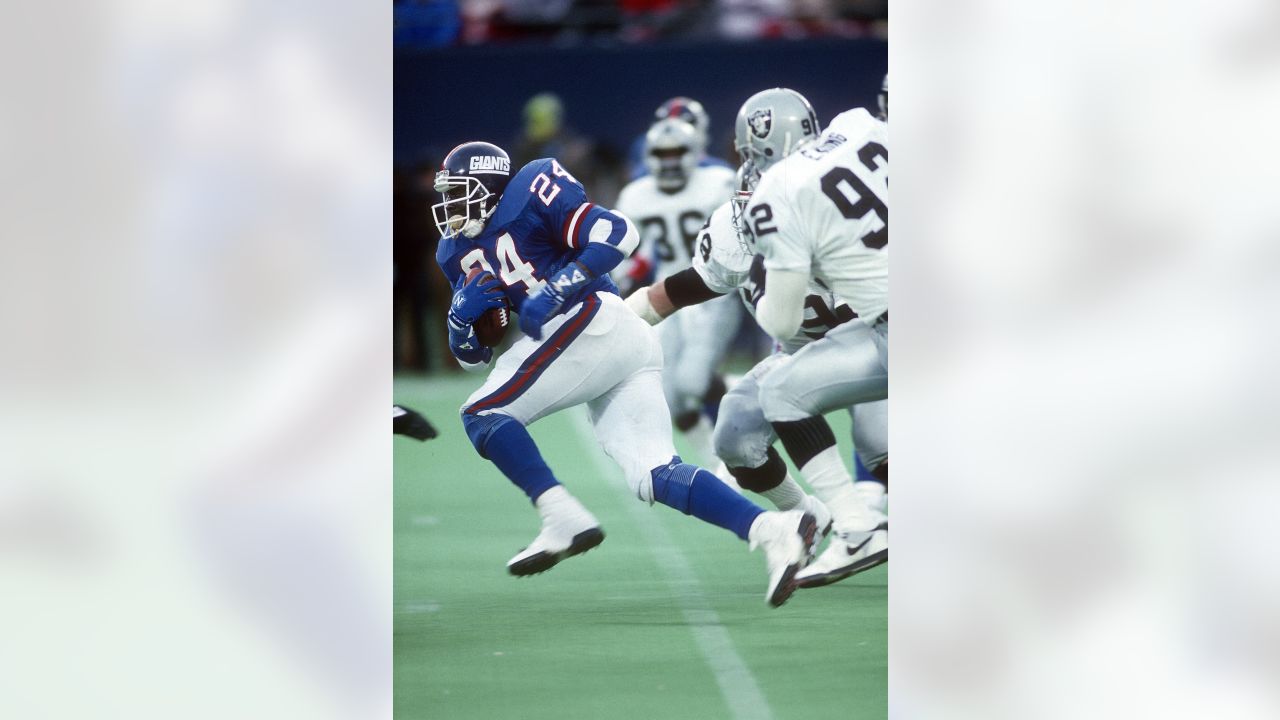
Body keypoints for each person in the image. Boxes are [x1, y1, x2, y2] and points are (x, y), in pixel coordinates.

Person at [432, 140, 817, 606]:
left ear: (491, 187)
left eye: (460, 191)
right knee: (654, 473)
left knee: (481, 411)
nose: (450, 204)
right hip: (619, 341)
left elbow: (618, 235)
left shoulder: (531, 190)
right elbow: (473, 359)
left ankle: (560, 515)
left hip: (590, 320)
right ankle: (771, 530)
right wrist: (458, 323)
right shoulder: (454, 251)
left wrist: (555, 291)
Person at [626, 159, 888, 587]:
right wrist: (616, 320)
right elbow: (676, 290)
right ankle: (808, 514)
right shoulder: (734, 235)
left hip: (872, 345)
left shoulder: (837, 227)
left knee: (880, 443)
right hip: (799, 354)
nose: (760, 223)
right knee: (734, 434)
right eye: (752, 208)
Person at [735, 87, 890, 586]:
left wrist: (760, 289)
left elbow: (781, 325)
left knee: (780, 391)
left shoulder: (776, 191)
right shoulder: (859, 122)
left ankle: (856, 527)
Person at [614, 118, 739, 469]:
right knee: (671, 397)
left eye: (677, 152)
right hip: (667, 292)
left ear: (693, 153)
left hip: (714, 287)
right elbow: (626, 250)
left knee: (692, 381)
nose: (669, 161)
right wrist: (622, 276)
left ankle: (746, 391)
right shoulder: (636, 194)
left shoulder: (719, 183)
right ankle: (716, 464)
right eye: (662, 153)